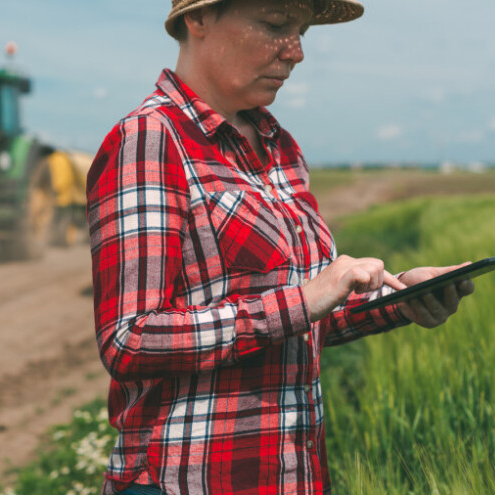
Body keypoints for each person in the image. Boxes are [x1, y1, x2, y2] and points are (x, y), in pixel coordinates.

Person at [86, 1, 474, 494]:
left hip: (291, 476)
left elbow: (298, 321)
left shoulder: (279, 147)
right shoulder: (148, 139)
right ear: (198, 20)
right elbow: (129, 338)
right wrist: (304, 299)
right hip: (184, 478)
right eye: (274, 26)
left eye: (302, 31)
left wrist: (396, 301)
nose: (295, 53)